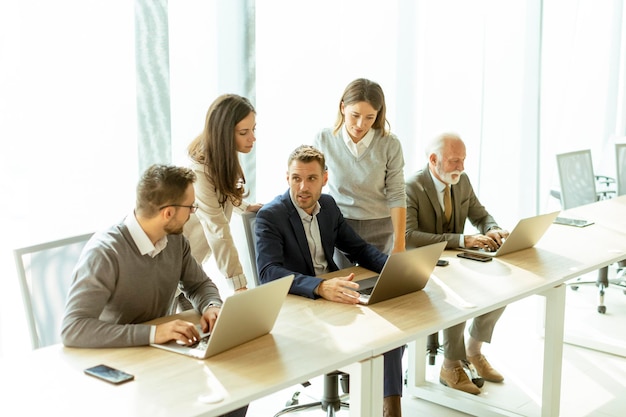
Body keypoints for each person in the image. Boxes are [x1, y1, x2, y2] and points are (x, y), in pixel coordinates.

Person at [61, 164, 248, 417]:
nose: (193, 213)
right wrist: (153, 333)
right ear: (168, 212)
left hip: (161, 354)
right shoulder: (105, 253)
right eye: (191, 207)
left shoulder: (175, 240)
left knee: (234, 393)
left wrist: (212, 306)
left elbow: (199, 284)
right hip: (118, 365)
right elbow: (73, 328)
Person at [255, 144, 404, 417]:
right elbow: (268, 273)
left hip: (334, 297)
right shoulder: (271, 216)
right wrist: (320, 286)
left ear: (325, 178)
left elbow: (358, 249)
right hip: (300, 304)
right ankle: (373, 396)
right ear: (286, 177)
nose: (303, 187)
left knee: (391, 329)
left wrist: (396, 270)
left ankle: (390, 408)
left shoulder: (329, 207)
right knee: (376, 331)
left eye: (311, 179)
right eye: (296, 178)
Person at [404, 132, 510, 395]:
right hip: (423, 265)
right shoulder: (411, 187)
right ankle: (450, 365)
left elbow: (481, 214)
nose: (461, 167)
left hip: (457, 261)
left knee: (506, 286)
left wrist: (493, 228)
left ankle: (473, 352)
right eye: (454, 161)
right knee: (460, 295)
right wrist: (463, 239)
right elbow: (408, 236)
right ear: (433, 160)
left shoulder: (461, 182)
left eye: (463, 160)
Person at [313, 78, 406, 266]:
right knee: (345, 287)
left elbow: (397, 194)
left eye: (369, 117)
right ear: (342, 108)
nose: (360, 124)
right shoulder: (324, 139)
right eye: (355, 115)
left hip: (380, 228)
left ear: (378, 114)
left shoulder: (390, 144)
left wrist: (400, 244)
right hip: (340, 226)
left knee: (379, 288)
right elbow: (315, 185)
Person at [183, 94, 263, 294]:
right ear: (224, 134)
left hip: (189, 265)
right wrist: (239, 285)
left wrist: (244, 207)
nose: (252, 138)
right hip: (173, 268)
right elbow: (218, 229)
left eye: (253, 129)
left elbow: (222, 193)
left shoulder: (221, 159)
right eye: (244, 132)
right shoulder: (198, 173)